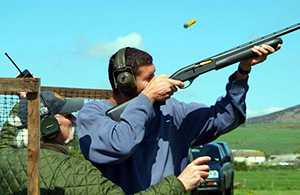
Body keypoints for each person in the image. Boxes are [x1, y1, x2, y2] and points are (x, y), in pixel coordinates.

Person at [76, 44, 280, 194]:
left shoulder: (171, 111)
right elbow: (120, 146)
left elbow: (227, 117)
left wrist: (243, 71)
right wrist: (147, 98)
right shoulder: (93, 115)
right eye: (149, 79)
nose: (157, 82)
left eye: (155, 75)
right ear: (124, 82)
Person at [0, 90, 211, 194]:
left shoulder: (5, 156)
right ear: (50, 125)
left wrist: (28, 98)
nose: (74, 118)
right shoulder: (71, 170)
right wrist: (179, 184)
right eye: (67, 115)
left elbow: (9, 134)